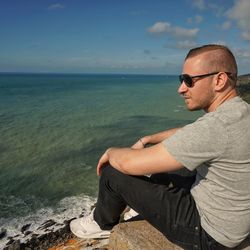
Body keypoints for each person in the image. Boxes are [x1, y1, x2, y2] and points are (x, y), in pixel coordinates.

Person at [70, 44, 250, 249]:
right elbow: (189, 133)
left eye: (189, 80)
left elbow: (128, 163)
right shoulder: (239, 112)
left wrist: (111, 152)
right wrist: (148, 138)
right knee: (175, 164)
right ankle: (141, 208)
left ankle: (102, 223)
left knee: (113, 174)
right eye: (181, 80)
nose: (181, 88)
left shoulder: (215, 127)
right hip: (234, 221)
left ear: (219, 80)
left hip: (210, 233)